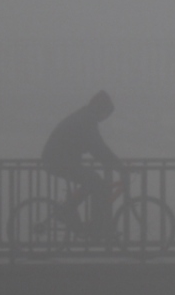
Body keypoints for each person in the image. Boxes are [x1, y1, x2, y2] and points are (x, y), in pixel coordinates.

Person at [41, 91, 125, 238]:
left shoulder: (85, 116)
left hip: (57, 159)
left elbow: (96, 148)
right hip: (59, 161)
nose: (105, 118)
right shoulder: (87, 120)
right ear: (101, 109)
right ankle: (95, 226)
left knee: (93, 181)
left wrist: (115, 163)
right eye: (106, 114)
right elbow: (98, 148)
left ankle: (73, 214)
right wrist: (119, 166)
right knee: (96, 182)